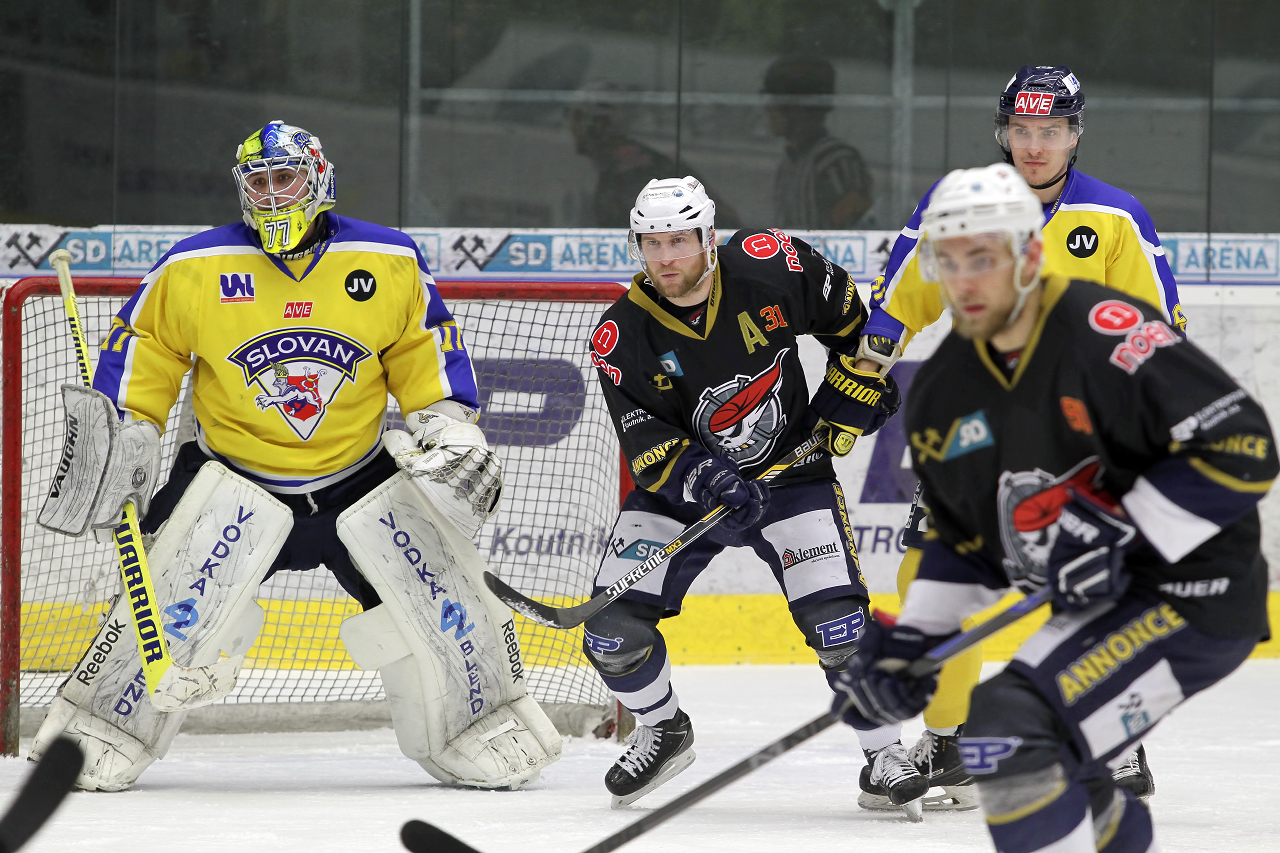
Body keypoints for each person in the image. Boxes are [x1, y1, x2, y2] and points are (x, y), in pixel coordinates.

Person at [28, 120, 561, 792]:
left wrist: (447, 425)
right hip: (230, 477)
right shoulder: (194, 266)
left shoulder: (388, 259)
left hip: (358, 480)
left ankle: (478, 722)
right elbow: (147, 347)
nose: (273, 193)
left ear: (319, 178)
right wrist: (126, 432)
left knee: (447, 605)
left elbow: (423, 349)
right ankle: (101, 725)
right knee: (161, 609)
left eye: (286, 177)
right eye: (259, 180)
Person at [833, 163, 1274, 853]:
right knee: (1005, 742)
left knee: (1010, 729)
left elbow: (1242, 444)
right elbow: (962, 543)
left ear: (1030, 254)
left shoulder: (1107, 328)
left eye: (984, 258)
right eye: (949, 261)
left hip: (1196, 591)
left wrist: (1125, 535)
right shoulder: (944, 391)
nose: (964, 281)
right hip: (1099, 605)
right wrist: (911, 644)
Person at [850, 65, 1187, 806]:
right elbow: (898, 304)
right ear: (1003, 132)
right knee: (930, 579)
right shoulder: (956, 205)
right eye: (1022, 129)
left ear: (1075, 134)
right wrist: (858, 382)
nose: (1035, 145)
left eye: (1051, 131)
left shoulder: (1116, 218)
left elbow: (1158, 332)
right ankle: (950, 740)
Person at [582, 175, 918, 812]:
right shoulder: (621, 334)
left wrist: (859, 388)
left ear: (708, 237)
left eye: (679, 240)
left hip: (791, 477)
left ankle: (883, 755)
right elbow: (646, 442)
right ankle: (663, 729)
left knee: (841, 627)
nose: (666, 258)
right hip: (687, 495)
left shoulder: (771, 264)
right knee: (611, 631)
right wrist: (703, 477)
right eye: (652, 243)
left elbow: (859, 329)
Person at [568, 88, 741, 229]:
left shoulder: (635, 170)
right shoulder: (619, 165)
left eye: (576, 116)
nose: (571, 127)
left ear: (600, 123)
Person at [763, 55, 873, 229]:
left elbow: (856, 231)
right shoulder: (789, 163)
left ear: (797, 108)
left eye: (775, 101)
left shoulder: (835, 161)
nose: (767, 109)